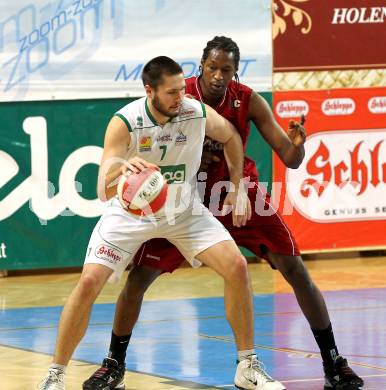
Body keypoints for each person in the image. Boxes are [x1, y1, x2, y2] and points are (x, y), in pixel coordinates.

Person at [83, 37, 365, 390]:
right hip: (181, 197)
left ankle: (334, 362)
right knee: (139, 278)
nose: (218, 76)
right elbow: (150, 142)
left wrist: (297, 146)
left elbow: (287, 157)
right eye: (213, 68)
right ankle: (114, 365)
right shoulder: (177, 95)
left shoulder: (248, 100)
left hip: (236, 194)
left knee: (294, 266)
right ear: (201, 65)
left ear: (235, 71)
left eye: (226, 70)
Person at [38, 55, 287, 390]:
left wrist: (238, 186)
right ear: (149, 91)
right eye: (171, 92)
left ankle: (247, 366)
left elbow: (230, 136)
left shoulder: (194, 112)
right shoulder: (126, 121)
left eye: (181, 89)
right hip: (130, 214)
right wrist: (120, 171)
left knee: (237, 267)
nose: (179, 97)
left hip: (183, 211)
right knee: (87, 284)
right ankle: (56, 375)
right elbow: (101, 189)